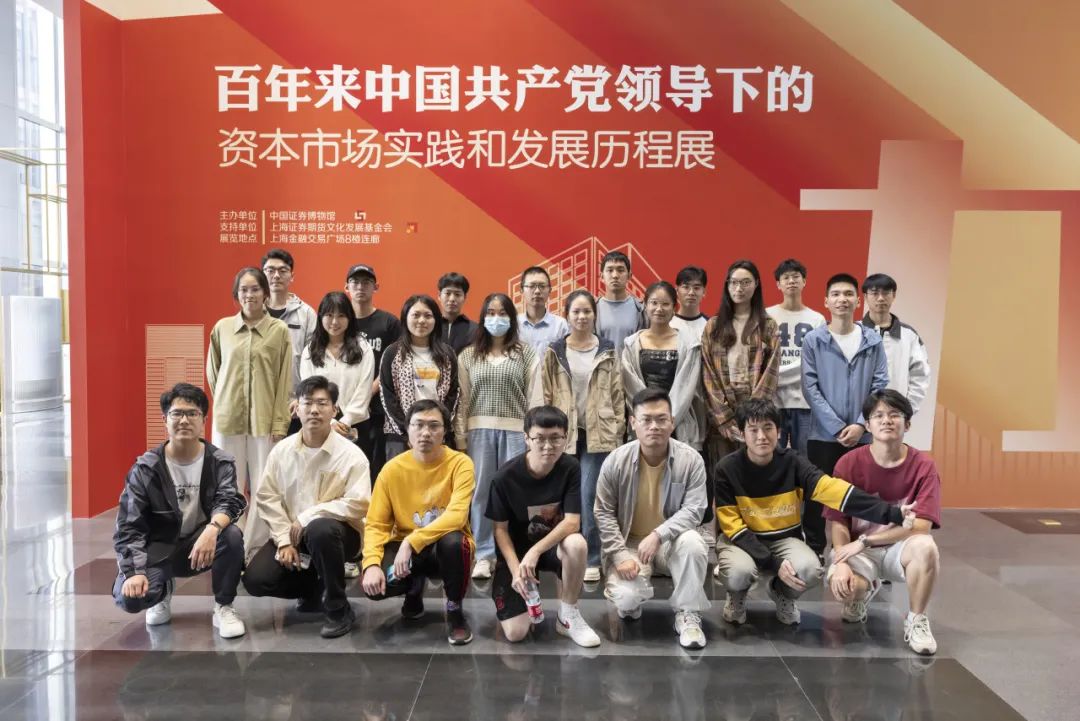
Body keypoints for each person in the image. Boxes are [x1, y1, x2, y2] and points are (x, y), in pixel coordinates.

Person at [713, 398, 914, 627]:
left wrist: (892, 513)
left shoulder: (793, 462)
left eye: (768, 428)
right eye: (753, 430)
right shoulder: (726, 469)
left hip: (783, 539)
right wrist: (773, 563)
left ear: (779, 431)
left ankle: (782, 593)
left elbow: (835, 491)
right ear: (742, 434)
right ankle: (736, 596)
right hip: (741, 541)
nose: (762, 436)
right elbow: (733, 528)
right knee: (738, 573)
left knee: (810, 570)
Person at [112, 383, 247, 638]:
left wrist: (212, 530)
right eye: (177, 413)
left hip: (200, 545)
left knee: (231, 535)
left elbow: (230, 501)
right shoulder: (146, 468)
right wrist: (134, 573)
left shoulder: (220, 462)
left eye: (192, 413)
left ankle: (223, 606)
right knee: (131, 599)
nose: (184, 420)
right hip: (159, 550)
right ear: (165, 419)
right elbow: (129, 525)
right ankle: (161, 590)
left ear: (204, 420)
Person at [241, 376, 371, 639]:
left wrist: (308, 516)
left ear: (334, 410)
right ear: (296, 409)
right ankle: (313, 588)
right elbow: (267, 497)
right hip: (292, 534)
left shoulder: (351, 455)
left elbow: (358, 503)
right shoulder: (282, 451)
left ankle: (338, 608)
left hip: (339, 536)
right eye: (307, 403)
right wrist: (283, 541)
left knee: (320, 529)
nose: (314, 410)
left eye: (322, 403)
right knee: (256, 580)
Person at [825, 389, 941, 655]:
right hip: (859, 551)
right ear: (867, 425)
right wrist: (840, 561)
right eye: (878, 415)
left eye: (894, 414)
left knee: (926, 548)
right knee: (846, 587)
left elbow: (922, 526)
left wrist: (867, 540)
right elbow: (837, 521)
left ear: (907, 424)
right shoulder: (847, 464)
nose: (886, 420)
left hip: (898, 549)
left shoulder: (924, 466)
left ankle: (916, 619)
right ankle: (863, 591)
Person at [595, 388, 711, 649]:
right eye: (646, 419)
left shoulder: (691, 460)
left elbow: (694, 509)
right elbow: (603, 512)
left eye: (661, 419)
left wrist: (659, 534)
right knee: (627, 599)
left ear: (672, 422)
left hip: (670, 542)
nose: (654, 426)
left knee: (693, 542)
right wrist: (619, 555)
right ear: (633, 423)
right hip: (629, 545)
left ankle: (688, 614)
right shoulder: (616, 461)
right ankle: (633, 600)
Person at [361, 400, 477, 646]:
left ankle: (454, 610)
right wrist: (371, 563)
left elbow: (457, 516)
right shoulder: (391, 470)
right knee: (376, 586)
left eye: (434, 426)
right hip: (405, 548)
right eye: (419, 425)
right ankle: (414, 587)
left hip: (442, 546)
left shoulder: (460, 463)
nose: (426, 433)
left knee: (455, 543)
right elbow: (376, 524)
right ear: (408, 429)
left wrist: (411, 542)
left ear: (444, 431)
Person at [487, 406, 602, 647]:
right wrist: (516, 568)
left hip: (550, 547)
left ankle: (568, 615)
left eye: (555, 438)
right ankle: (519, 599)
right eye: (539, 438)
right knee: (516, 633)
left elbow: (572, 522)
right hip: (517, 553)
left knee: (577, 544)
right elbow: (500, 530)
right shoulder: (504, 477)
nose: (548, 446)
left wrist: (536, 550)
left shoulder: (570, 467)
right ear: (526, 438)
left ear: (566, 438)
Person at [454, 292, 543, 580]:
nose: (496, 319)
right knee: (481, 492)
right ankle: (484, 554)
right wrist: (461, 437)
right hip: (479, 432)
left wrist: (534, 436)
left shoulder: (526, 353)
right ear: (482, 318)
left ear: (512, 318)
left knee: (515, 493)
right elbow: (462, 400)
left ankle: (514, 552)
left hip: (517, 432)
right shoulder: (468, 355)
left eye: (502, 313)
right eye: (490, 313)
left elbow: (535, 397)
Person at [801, 273, 889, 555]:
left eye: (849, 294)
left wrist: (862, 425)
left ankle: (861, 550)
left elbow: (879, 385)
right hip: (823, 435)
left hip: (864, 437)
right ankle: (815, 551)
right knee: (818, 495)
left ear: (858, 301)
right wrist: (838, 427)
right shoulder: (814, 340)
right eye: (836, 294)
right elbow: (810, 387)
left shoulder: (872, 340)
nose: (843, 299)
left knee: (862, 495)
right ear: (826, 301)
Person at [542, 290, 624, 583]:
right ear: (567, 315)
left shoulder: (607, 349)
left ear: (594, 315)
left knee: (589, 494)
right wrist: (546, 432)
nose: (581, 316)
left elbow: (617, 394)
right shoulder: (554, 351)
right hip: (563, 433)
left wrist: (617, 430)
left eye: (587, 311)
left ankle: (591, 557)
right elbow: (546, 392)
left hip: (598, 432)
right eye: (575, 311)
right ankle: (561, 552)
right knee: (562, 495)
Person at [207, 266, 293, 497]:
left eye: (255, 289)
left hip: (264, 418)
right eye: (243, 290)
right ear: (237, 294)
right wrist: (226, 401)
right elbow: (214, 373)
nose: (249, 295)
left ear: (265, 292)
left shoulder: (279, 330)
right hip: (228, 417)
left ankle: (258, 524)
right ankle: (230, 522)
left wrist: (279, 422)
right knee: (227, 483)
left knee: (264, 485)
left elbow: (284, 379)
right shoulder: (222, 328)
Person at [701, 260, 781, 459]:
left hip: (755, 409)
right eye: (734, 282)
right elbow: (708, 374)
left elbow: (771, 373)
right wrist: (723, 418)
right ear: (727, 285)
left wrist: (753, 415)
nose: (739, 288)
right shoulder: (713, 326)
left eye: (746, 282)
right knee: (724, 467)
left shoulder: (768, 325)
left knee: (756, 465)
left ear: (756, 284)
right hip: (723, 408)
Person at [621, 280, 706, 452]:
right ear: (645, 305)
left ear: (674, 307)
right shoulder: (631, 344)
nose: (659, 309)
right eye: (654, 303)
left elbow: (686, 389)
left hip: (680, 424)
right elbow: (630, 387)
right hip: (644, 426)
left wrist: (666, 420)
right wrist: (650, 418)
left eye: (665, 304)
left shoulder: (689, 344)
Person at [381, 294, 460, 460]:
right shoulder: (392, 353)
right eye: (416, 315)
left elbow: (454, 393)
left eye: (428, 316)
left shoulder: (447, 354)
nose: (422, 320)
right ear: (405, 318)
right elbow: (387, 396)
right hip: (400, 437)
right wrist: (408, 431)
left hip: (437, 435)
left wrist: (440, 426)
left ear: (436, 320)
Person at [345, 264, 402, 482]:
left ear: (376, 287)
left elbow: (393, 363)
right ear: (347, 287)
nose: (360, 287)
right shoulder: (340, 322)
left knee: (374, 467)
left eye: (367, 282)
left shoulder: (389, 323)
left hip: (377, 409)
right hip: (345, 406)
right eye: (355, 282)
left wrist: (369, 391)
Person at [766, 258, 826, 456]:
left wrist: (774, 376)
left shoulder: (817, 319)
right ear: (778, 284)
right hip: (773, 401)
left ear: (804, 281)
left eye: (796, 277)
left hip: (805, 402)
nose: (791, 281)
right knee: (773, 458)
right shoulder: (766, 316)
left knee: (805, 459)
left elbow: (815, 362)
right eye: (786, 278)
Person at [299, 291, 375, 442]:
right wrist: (331, 421)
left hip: (356, 425)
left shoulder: (363, 348)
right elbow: (309, 390)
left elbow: (364, 389)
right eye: (329, 315)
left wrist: (347, 420)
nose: (334, 322)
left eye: (341, 316)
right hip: (320, 423)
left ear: (349, 318)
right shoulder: (310, 350)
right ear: (321, 317)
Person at [261, 249, 318, 435]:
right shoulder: (253, 312)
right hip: (259, 407)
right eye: (270, 270)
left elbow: (313, 361)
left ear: (291, 276)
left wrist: (303, 399)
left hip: (294, 407)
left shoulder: (306, 314)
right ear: (262, 274)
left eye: (282, 270)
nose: (276, 275)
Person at [860, 274, 931, 416]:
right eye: (874, 293)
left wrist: (906, 409)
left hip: (894, 415)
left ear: (894, 295)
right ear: (865, 297)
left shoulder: (909, 335)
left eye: (886, 293)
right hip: (857, 415)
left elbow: (921, 374)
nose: (881, 298)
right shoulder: (855, 331)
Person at [595, 250, 644, 359]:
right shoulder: (592, 309)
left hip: (631, 369)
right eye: (610, 270)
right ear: (601, 276)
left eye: (620, 270)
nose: (615, 275)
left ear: (629, 276)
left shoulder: (641, 309)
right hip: (601, 369)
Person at [517, 265, 570, 357]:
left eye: (542, 286)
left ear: (550, 290)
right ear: (521, 290)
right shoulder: (514, 325)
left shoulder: (561, 325)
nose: (537, 291)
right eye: (532, 286)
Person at [437, 271, 479, 354]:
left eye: (457, 294)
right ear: (439, 295)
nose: (452, 299)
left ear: (464, 297)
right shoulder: (431, 325)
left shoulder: (475, 329)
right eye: (447, 293)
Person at [671, 265, 709, 340]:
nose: (691, 293)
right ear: (676, 290)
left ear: (704, 292)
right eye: (686, 287)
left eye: (696, 288)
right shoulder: (667, 324)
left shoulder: (711, 326)